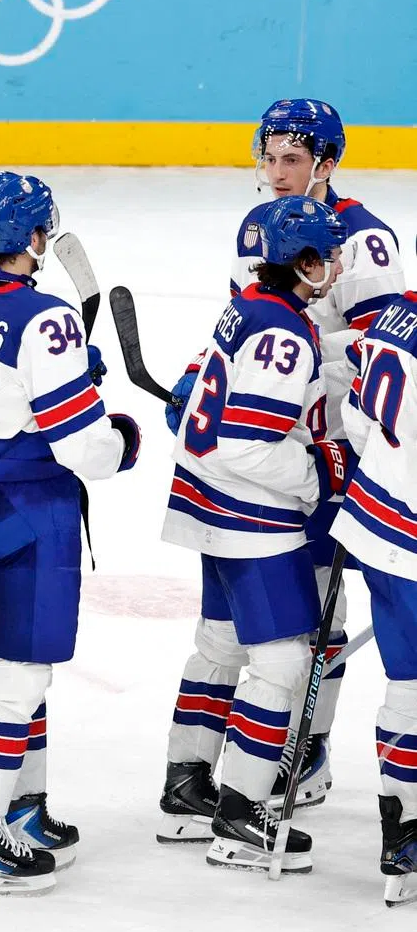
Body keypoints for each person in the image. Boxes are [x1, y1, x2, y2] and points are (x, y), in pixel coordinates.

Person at [168, 99, 406, 809]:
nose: (276, 173)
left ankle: (306, 750)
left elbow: (379, 355)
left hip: (331, 449)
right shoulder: (262, 230)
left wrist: (316, 401)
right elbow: (248, 324)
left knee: (316, 619)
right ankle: (253, 758)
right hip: (274, 448)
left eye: (293, 160)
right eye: (267, 158)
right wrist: (201, 373)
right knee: (276, 620)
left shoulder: (366, 243)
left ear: (327, 163)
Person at [0, 171, 139, 895]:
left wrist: (62, 380)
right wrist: (122, 437)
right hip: (23, 508)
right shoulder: (46, 319)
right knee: (18, 674)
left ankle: (22, 806)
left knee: (9, 663)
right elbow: (84, 449)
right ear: (36, 235)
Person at [158, 195, 352, 873]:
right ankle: (239, 815)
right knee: (280, 664)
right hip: (251, 518)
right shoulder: (283, 334)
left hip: (204, 503)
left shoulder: (253, 307)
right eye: (325, 254)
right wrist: (319, 472)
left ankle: (186, 787)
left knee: (218, 644)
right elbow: (244, 445)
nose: (333, 263)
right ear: (301, 261)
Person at [332, 290, 417, 904]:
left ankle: (402, 833)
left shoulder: (396, 313)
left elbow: (360, 421)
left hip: (375, 524)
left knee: (408, 685)